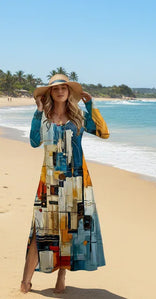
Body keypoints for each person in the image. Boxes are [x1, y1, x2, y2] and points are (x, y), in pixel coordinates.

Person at [20, 74, 109, 293]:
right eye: (55, 88)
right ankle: (25, 281)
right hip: (49, 182)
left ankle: (61, 278)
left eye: (64, 88)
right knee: (40, 233)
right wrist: (38, 110)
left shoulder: (77, 117)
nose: (60, 91)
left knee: (69, 232)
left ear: (69, 92)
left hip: (76, 180)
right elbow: (33, 141)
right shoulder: (43, 117)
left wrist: (91, 106)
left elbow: (103, 133)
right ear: (50, 93)